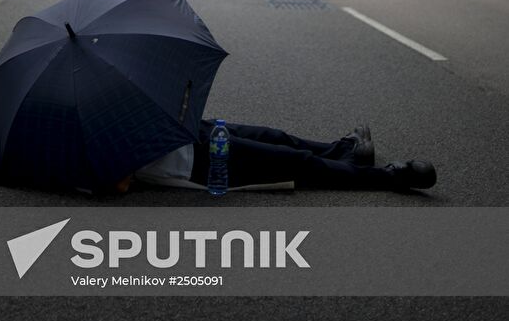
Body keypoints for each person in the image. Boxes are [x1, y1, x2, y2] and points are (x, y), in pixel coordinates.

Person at [127, 121, 437, 193]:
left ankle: (343, 152)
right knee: (290, 162)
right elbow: (116, 184)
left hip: (187, 129)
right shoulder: (78, 148)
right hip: (190, 162)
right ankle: (389, 177)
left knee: (273, 137)